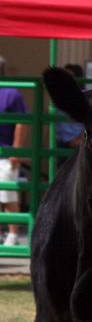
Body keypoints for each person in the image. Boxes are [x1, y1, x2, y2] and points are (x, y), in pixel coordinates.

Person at [0, 56, 28, 246]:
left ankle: (13, 234)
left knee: (8, 195)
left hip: (6, 153)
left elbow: (22, 122)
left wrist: (16, 151)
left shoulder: (11, 93)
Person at [56, 64, 85, 164]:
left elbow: (90, 120)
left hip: (78, 143)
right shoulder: (58, 97)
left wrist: (80, 139)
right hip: (61, 142)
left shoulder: (84, 97)